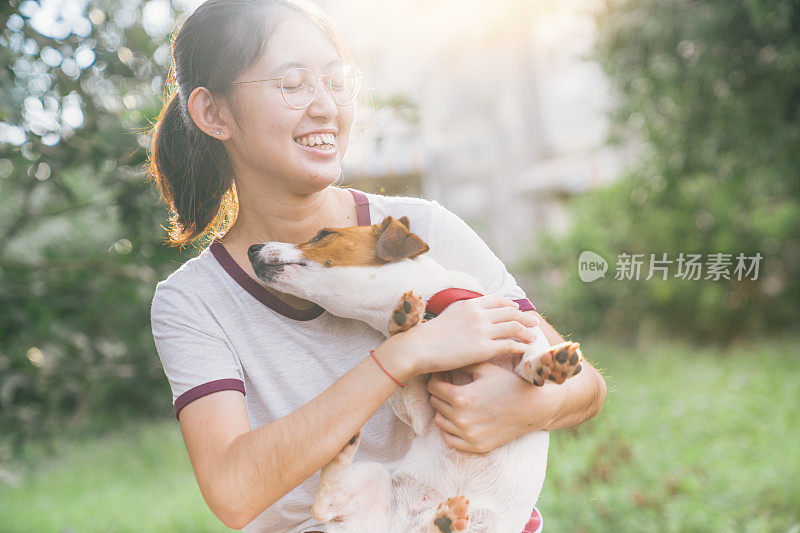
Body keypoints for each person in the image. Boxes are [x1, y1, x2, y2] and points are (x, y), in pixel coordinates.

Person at [148, 1, 606, 531]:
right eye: (292, 84)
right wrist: (402, 356)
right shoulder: (195, 301)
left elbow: (584, 384)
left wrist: (522, 408)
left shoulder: (420, 232)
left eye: (335, 82)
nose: (326, 108)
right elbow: (233, 490)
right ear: (214, 113)